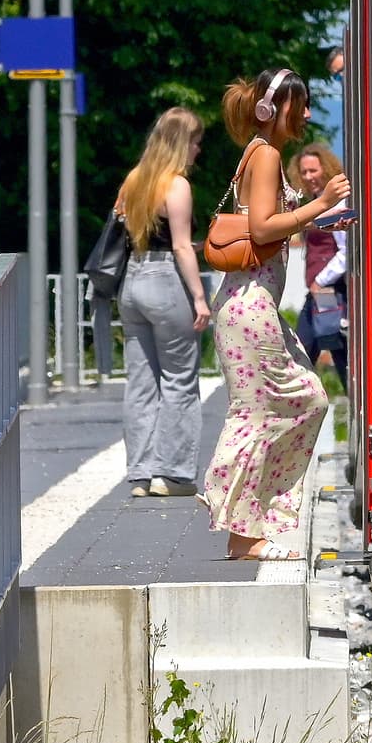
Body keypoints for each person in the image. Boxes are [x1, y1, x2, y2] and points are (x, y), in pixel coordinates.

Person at [200, 69, 341, 559]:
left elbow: (270, 222)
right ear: (275, 108)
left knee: (308, 399)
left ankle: (251, 518)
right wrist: (320, 203)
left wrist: (324, 214)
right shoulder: (267, 155)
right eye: (300, 105)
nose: (307, 114)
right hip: (249, 304)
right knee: (259, 412)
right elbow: (262, 229)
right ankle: (243, 532)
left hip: (252, 304)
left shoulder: (260, 153)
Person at [112, 106, 210, 498]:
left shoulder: (134, 180)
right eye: (196, 142)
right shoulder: (177, 185)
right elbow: (180, 246)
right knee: (179, 379)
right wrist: (199, 297)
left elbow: (135, 232)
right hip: (166, 282)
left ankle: (140, 474)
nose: (198, 150)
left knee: (140, 383)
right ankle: (172, 475)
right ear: (181, 143)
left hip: (132, 281)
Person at [288, 141, 351, 375]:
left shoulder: (338, 203)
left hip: (331, 290)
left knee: (308, 352)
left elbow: (346, 251)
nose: (308, 176)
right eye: (303, 172)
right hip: (320, 292)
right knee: (313, 352)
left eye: (313, 170)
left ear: (326, 168)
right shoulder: (316, 204)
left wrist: (320, 280)